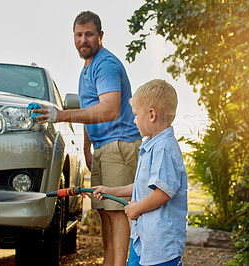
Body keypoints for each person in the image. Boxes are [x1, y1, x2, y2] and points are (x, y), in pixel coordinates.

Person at [33, 10, 142, 266]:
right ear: (73, 37)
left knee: (118, 213)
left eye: (89, 34)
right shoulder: (87, 69)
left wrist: (60, 115)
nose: (84, 40)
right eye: (79, 35)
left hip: (121, 144)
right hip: (104, 147)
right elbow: (90, 110)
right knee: (105, 211)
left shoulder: (105, 65)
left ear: (100, 36)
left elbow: (109, 109)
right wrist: (86, 147)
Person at [93, 79, 188, 266]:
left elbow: (164, 192)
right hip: (144, 240)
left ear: (151, 114)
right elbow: (142, 186)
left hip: (161, 246)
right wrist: (110, 191)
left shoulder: (164, 148)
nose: (134, 120)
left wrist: (137, 208)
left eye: (136, 114)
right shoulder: (151, 146)